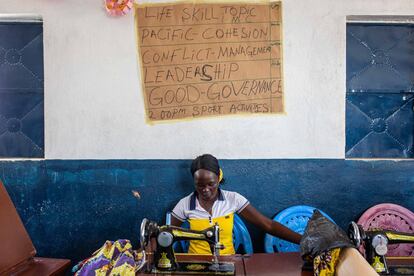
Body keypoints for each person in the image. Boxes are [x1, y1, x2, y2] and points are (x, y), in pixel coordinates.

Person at [170, 154, 302, 255]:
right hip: (196, 265)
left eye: (211, 184)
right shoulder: (185, 204)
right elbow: (166, 233)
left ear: (219, 178)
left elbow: (268, 225)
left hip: (228, 261)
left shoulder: (233, 199)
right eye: (200, 185)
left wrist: (304, 240)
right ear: (194, 181)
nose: (205, 189)